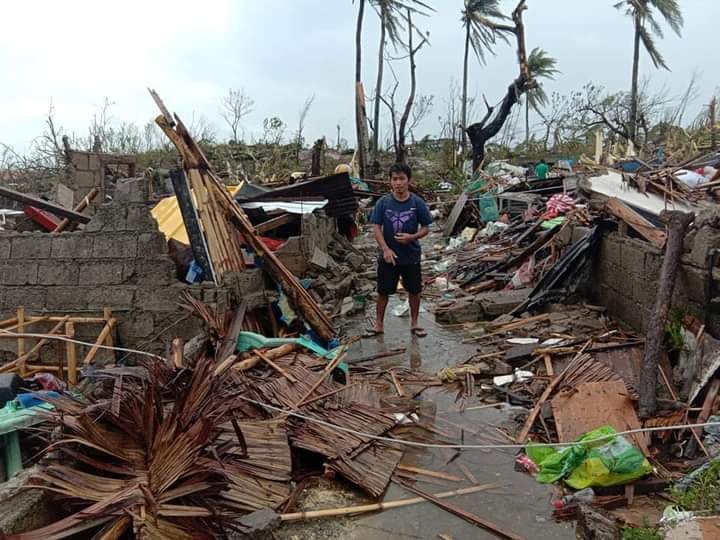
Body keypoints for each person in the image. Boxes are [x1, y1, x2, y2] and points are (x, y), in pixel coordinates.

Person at [367, 163, 432, 338]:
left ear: (408, 180)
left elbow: (426, 227)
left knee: (414, 291)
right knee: (383, 292)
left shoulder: (417, 203)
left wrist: (412, 237)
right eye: (394, 179)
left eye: (402, 178)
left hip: (411, 255)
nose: (398, 183)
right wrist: (385, 249)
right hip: (389, 257)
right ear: (390, 182)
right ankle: (379, 324)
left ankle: (415, 323)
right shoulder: (383, 203)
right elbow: (376, 227)